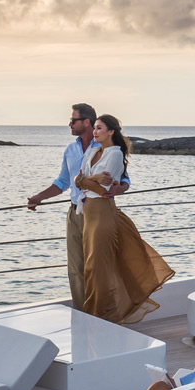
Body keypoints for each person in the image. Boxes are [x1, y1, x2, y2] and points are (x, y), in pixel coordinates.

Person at [25, 103, 129, 309]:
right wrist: (39, 197)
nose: (69, 124)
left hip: (98, 213)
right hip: (75, 212)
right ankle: (83, 313)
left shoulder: (105, 149)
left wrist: (119, 188)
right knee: (76, 268)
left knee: (99, 267)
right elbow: (64, 181)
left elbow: (121, 179)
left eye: (73, 120)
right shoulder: (71, 150)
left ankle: (104, 312)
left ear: (86, 122)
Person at [75, 114, 173, 323]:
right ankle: (94, 315)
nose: (95, 132)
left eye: (99, 128)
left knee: (99, 268)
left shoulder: (115, 154)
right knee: (90, 268)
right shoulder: (92, 151)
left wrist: (85, 181)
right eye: (94, 127)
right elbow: (78, 180)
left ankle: (103, 316)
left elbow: (102, 189)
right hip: (88, 213)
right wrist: (91, 178)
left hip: (103, 212)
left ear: (111, 131)